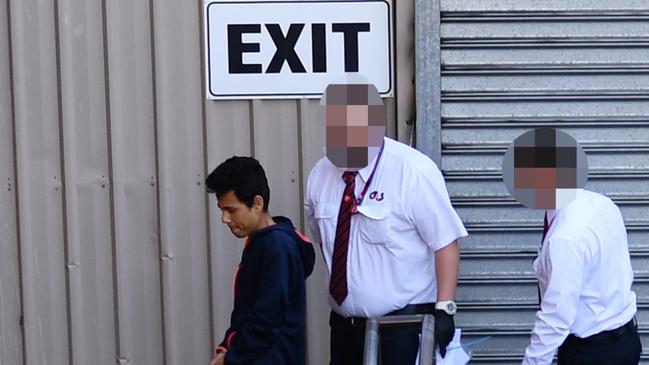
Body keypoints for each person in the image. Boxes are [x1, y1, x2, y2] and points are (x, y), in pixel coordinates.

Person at [305, 83, 467, 365]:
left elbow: (446, 243)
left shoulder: (412, 171)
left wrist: (445, 309)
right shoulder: (321, 174)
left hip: (403, 329)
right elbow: (325, 241)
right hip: (346, 329)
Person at [502, 129, 642, 364]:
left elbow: (557, 317)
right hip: (625, 340)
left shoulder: (566, 237)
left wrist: (533, 362)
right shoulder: (600, 203)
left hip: (593, 354)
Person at [207, 156, 315, 365]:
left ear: (257, 203)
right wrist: (226, 347)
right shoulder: (262, 243)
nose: (225, 219)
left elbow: (266, 319)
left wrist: (231, 358)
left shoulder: (277, 247)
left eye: (231, 210)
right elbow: (246, 312)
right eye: (222, 210)